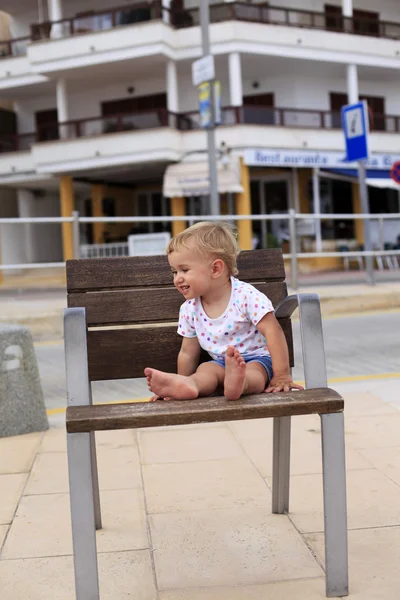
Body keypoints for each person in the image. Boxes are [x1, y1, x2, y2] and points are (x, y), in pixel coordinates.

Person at [144, 222, 303, 402]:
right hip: (221, 363)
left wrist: (282, 375)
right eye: (174, 272)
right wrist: (183, 378)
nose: (177, 278)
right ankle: (188, 386)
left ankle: (239, 383)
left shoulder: (246, 297)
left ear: (216, 269)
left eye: (184, 270)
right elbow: (188, 353)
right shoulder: (189, 308)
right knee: (206, 371)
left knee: (254, 375)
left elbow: (273, 331)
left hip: (258, 359)